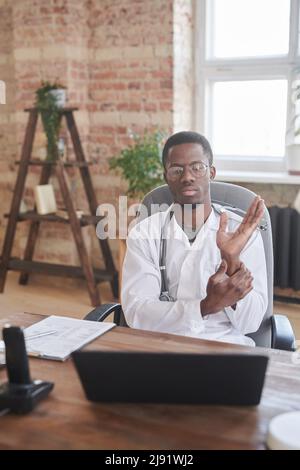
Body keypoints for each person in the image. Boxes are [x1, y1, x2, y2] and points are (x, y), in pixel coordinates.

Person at [121, 131, 267, 346]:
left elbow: (251, 323)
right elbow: (137, 314)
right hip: (162, 347)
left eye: (197, 168)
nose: (187, 177)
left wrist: (232, 260)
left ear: (212, 173)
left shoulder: (243, 233)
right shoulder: (144, 233)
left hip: (226, 348)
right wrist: (205, 305)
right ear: (166, 176)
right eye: (177, 169)